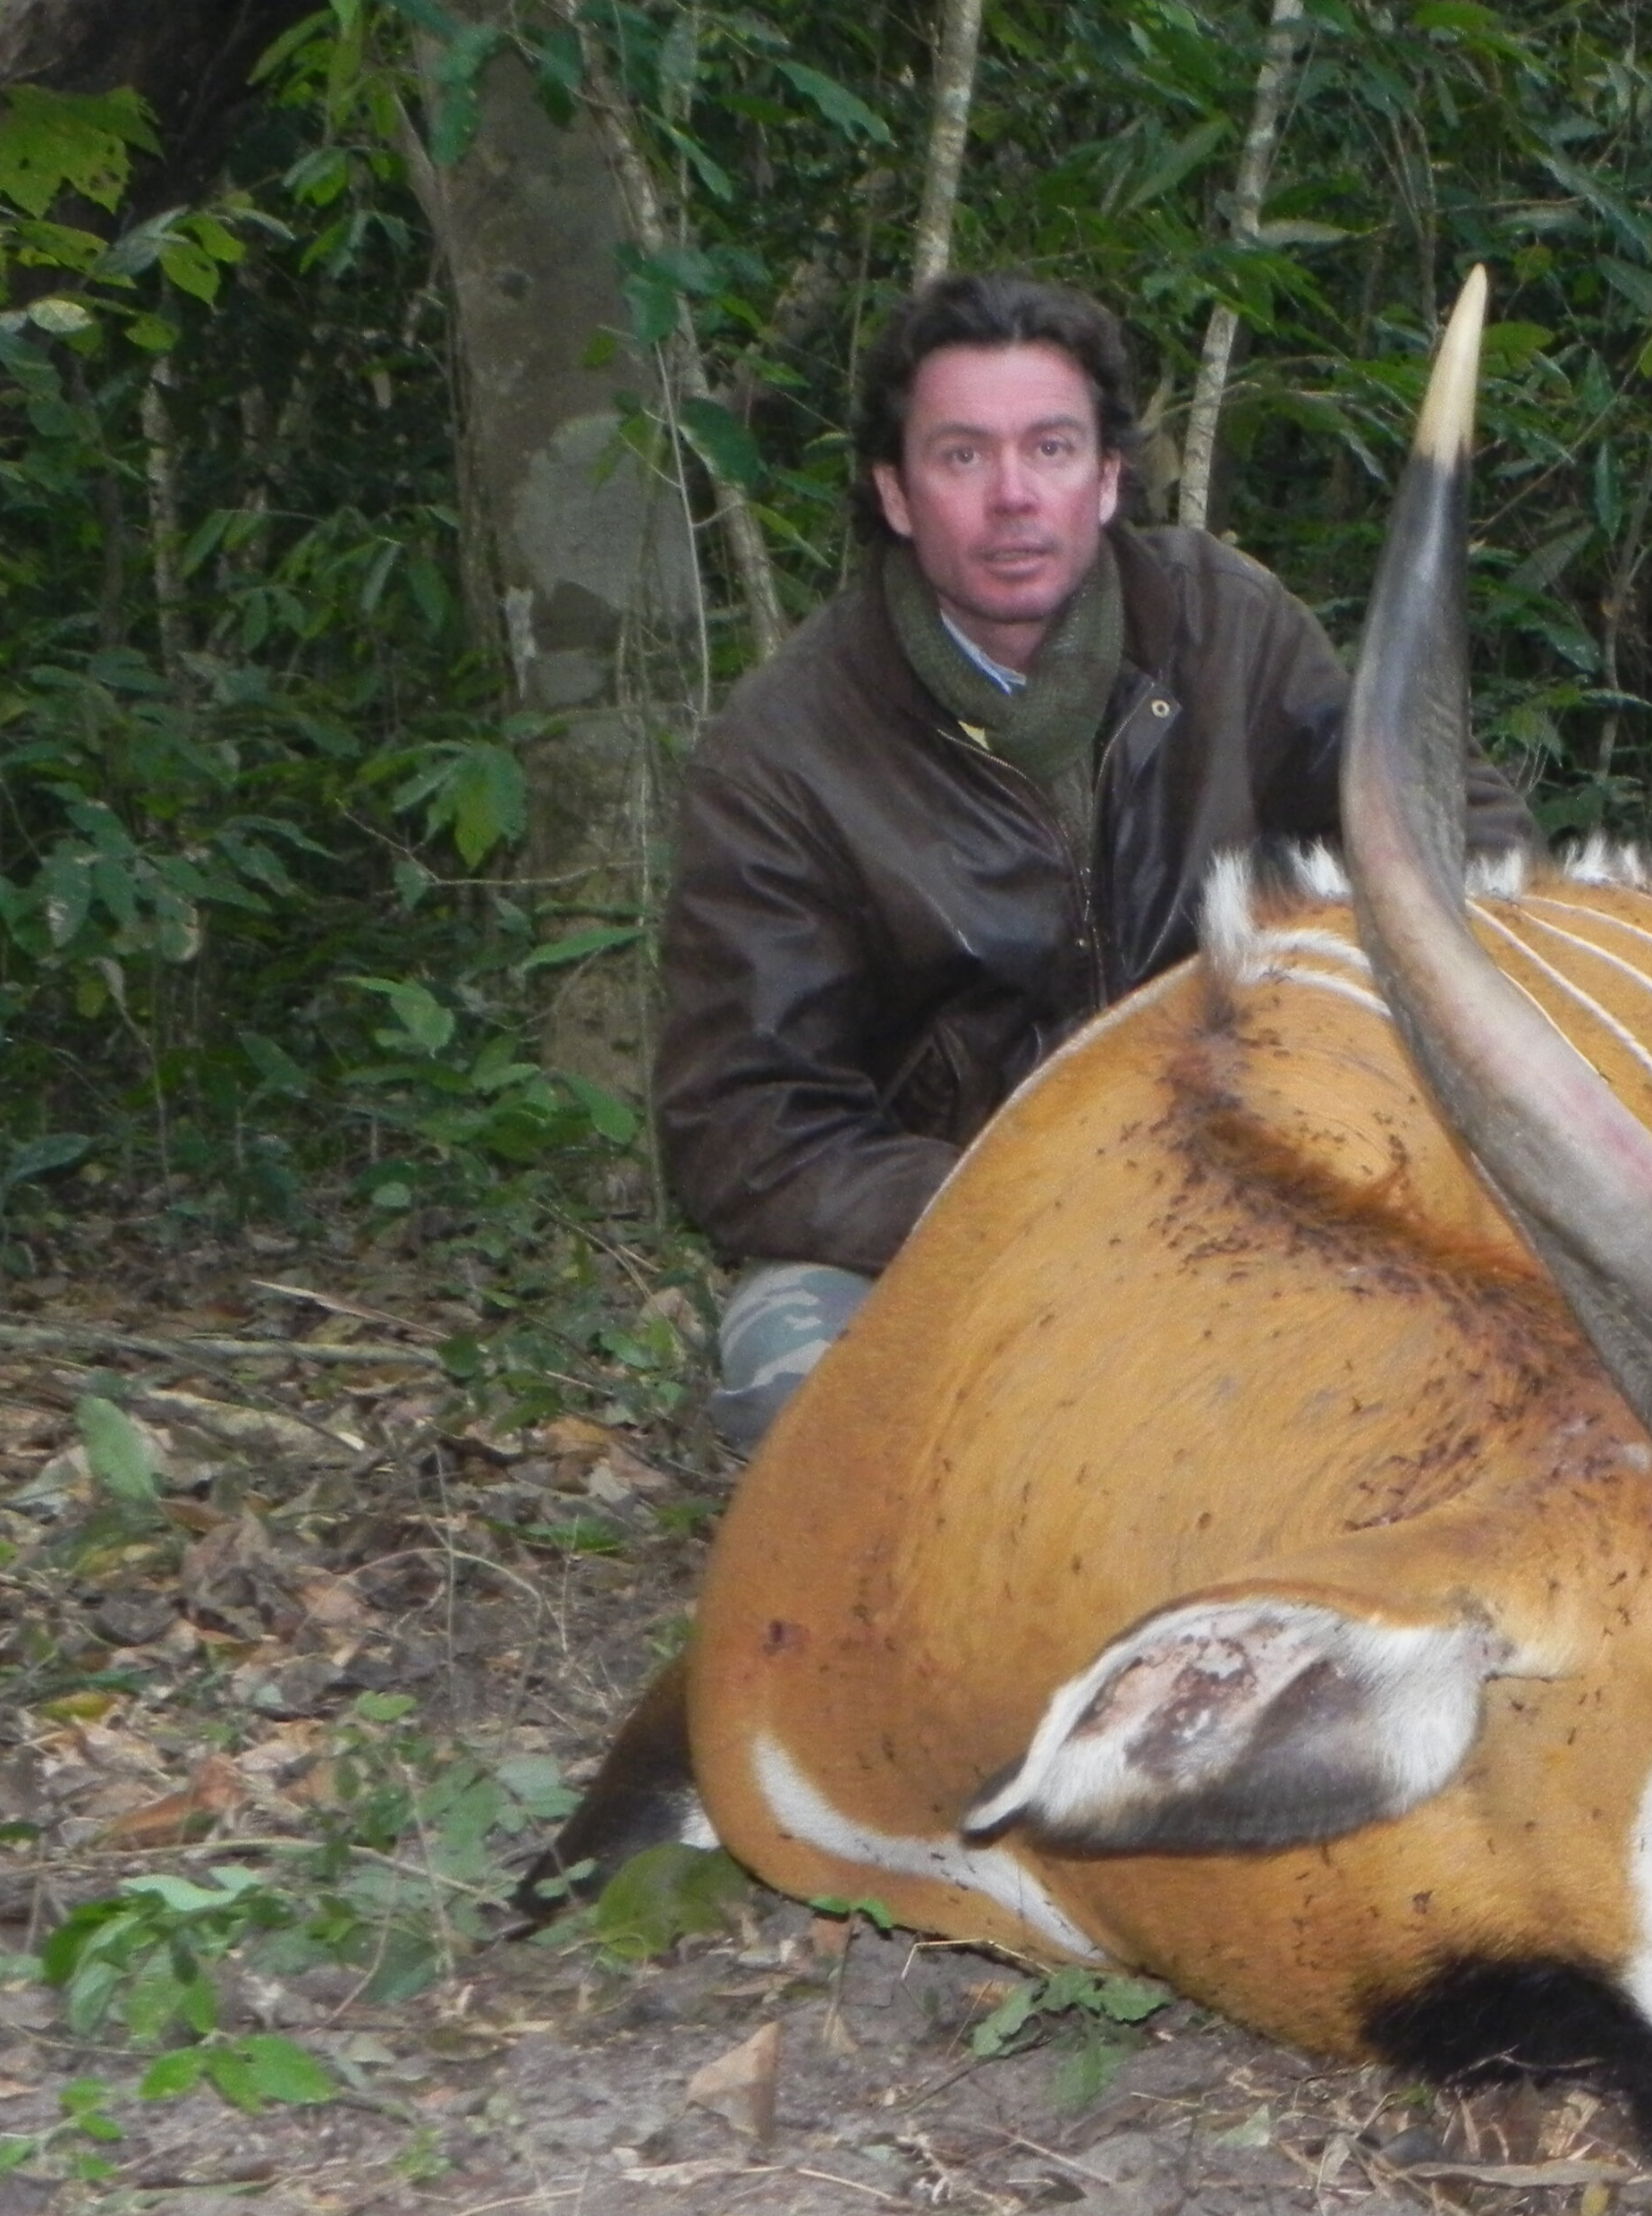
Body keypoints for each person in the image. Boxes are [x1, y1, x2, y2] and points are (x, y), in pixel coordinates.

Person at [655, 273, 1536, 1445]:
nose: (1013, 497)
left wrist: (1340, 1075)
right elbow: (742, 1129)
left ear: (1110, 477)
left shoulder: (1227, 627)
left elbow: (1449, 831)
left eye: (1052, 448)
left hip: (1262, 1183)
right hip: (960, 1230)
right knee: (810, 1412)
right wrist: (1046, 1201)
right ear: (897, 493)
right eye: (961, 457)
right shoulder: (786, 753)